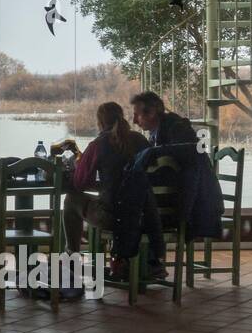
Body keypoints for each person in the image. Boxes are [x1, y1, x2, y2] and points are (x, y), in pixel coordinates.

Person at [62, 102, 165, 279]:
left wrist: (77, 166)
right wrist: (108, 185)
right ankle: (136, 263)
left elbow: (80, 183)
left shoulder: (99, 144)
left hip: (114, 217)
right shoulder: (141, 140)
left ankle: (72, 258)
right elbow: (149, 177)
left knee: (71, 199)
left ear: (100, 122)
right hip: (146, 215)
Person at [130, 90, 225, 244]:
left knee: (134, 216)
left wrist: (152, 152)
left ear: (152, 112)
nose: (134, 121)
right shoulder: (159, 131)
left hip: (191, 207)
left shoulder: (177, 128)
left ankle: (147, 264)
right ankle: (147, 265)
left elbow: (194, 150)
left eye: (137, 115)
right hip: (178, 201)